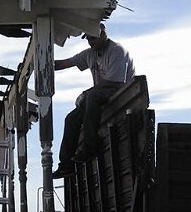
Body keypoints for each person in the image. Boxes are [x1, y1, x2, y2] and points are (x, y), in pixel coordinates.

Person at [52, 23, 135, 179]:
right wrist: (42, 63)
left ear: (104, 35)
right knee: (71, 119)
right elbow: (66, 63)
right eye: (88, 39)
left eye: (93, 38)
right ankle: (65, 165)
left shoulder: (117, 51)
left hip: (119, 93)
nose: (91, 42)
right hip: (98, 97)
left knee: (92, 96)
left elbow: (115, 82)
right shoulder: (90, 54)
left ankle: (90, 147)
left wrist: (86, 94)